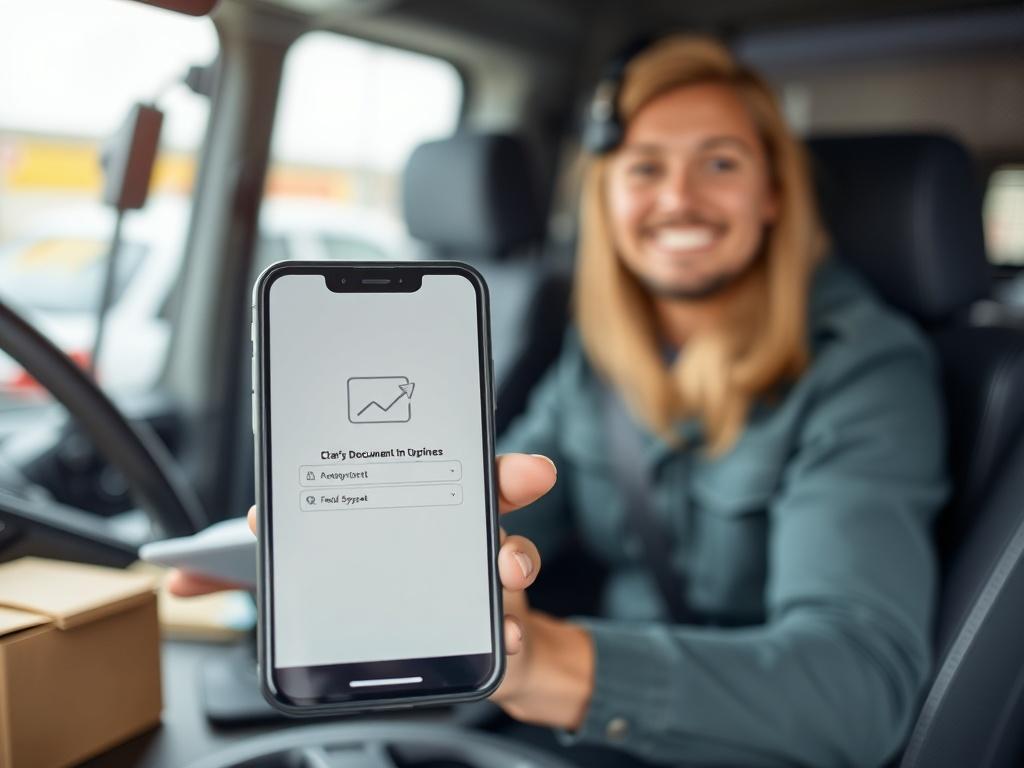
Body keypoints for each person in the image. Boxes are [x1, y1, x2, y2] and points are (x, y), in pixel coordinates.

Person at [171, 36, 948, 768]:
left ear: (774, 194)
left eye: (719, 163)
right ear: (607, 198)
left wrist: (547, 665)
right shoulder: (601, 359)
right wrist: (360, 539)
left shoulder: (867, 372)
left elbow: (860, 688)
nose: (678, 197)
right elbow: (505, 516)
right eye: (645, 167)